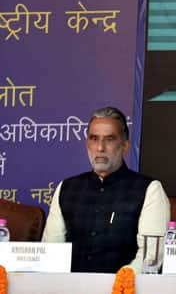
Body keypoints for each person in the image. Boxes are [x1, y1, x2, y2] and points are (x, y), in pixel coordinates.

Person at [42, 106, 169, 273]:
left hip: (124, 288)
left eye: (109, 139)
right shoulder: (67, 188)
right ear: (87, 144)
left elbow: (150, 257)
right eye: (94, 139)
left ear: (125, 146)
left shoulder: (149, 190)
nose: (100, 148)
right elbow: (51, 252)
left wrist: (121, 282)